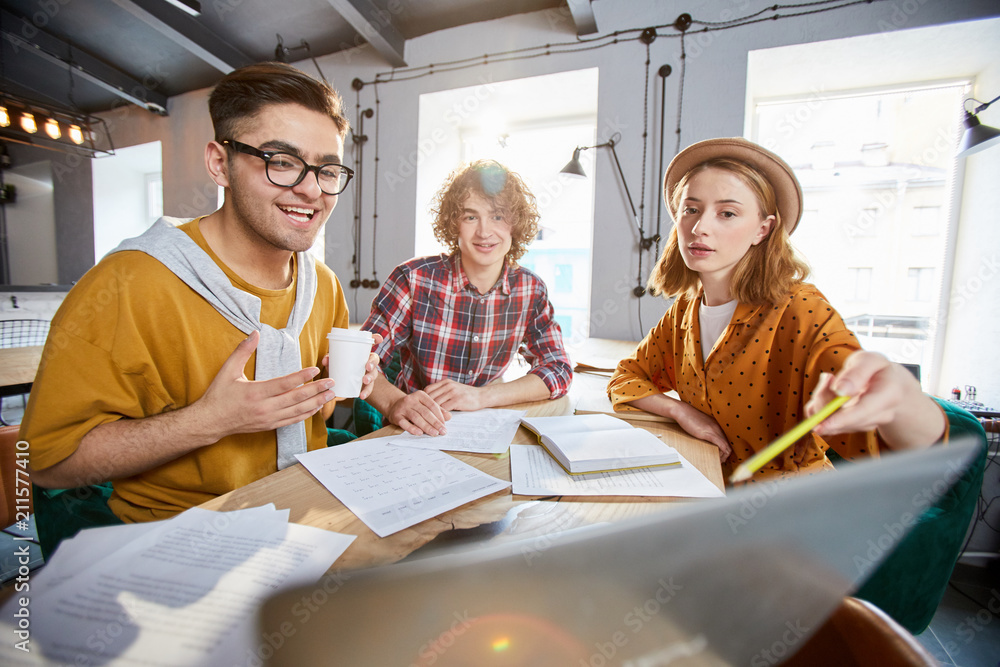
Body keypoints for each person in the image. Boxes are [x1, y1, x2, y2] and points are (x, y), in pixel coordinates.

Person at [22, 62, 381, 523]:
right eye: (281, 162)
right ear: (220, 164)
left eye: (328, 169)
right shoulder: (129, 283)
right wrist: (210, 420)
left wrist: (338, 386)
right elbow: (48, 463)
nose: (312, 190)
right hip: (177, 539)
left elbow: (319, 414)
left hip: (304, 520)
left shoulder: (324, 284)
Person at [608, 137, 946, 483]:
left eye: (727, 213)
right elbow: (626, 378)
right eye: (691, 209)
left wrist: (904, 405)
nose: (699, 227)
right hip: (708, 490)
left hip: (790, 513)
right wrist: (680, 411)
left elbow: (895, 446)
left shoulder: (801, 310)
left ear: (763, 229)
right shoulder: (683, 311)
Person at [362, 159, 572, 435]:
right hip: (416, 431)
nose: (484, 232)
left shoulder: (530, 290)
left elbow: (558, 370)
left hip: (485, 429)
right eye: (471, 217)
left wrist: (481, 396)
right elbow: (361, 361)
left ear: (515, 224)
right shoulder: (412, 279)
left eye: (498, 216)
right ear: (454, 224)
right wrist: (395, 404)